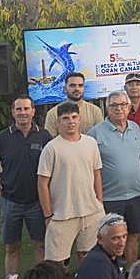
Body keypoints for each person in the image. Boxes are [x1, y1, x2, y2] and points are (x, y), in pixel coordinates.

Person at [0, 96, 52, 279]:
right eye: (19, 109)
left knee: (40, 244)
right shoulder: (2, 138)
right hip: (11, 202)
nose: (22, 113)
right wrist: (1, 196)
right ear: (13, 112)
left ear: (33, 111)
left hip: (37, 202)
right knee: (11, 247)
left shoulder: (44, 136)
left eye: (26, 108)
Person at [37, 100, 105, 264]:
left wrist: (99, 203)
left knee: (89, 259)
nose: (71, 121)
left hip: (91, 212)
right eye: (66, 118)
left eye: (74, 117)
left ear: (79, 119)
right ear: (59, 121)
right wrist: (48, 215)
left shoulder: (90, 143)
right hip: (62, 215)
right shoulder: (51, 148)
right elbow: (42, 183)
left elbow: (97, 174)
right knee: (56, 263)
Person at [87, 91, 140, 266]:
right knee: (110, 240)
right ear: (107, 108)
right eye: (114, 105)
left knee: (134, 235)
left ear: (129, 107)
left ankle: (130, 273)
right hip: (110, 197)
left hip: (137, 194)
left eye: (123, 105)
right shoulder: (95, 133)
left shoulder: (136, 128)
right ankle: (110, 273)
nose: (119, 108)